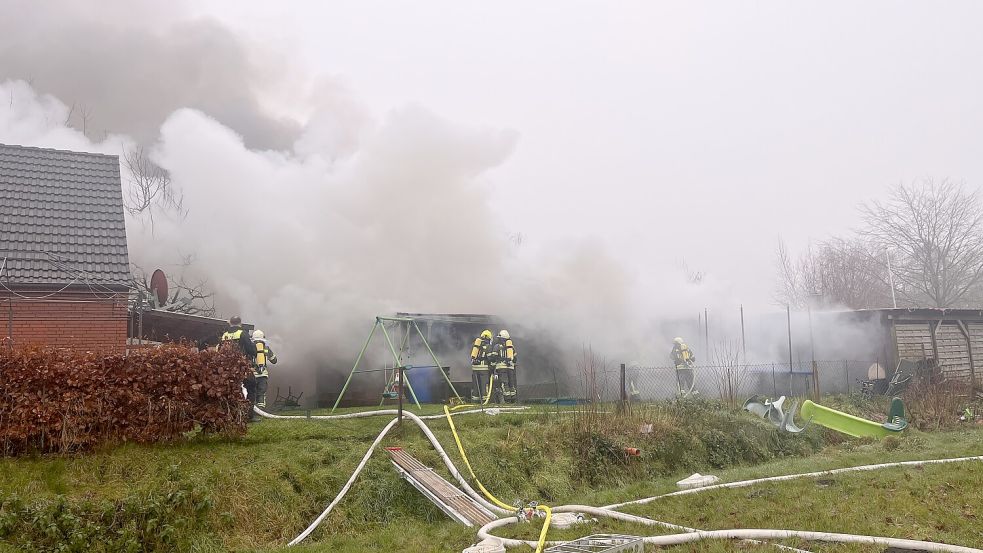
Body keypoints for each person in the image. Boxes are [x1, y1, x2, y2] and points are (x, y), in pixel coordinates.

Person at [220, 316, 258, 418]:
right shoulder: (243, 333)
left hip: (228, 368)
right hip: (242, 366)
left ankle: (232, 414)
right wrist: (255, 348)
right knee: (251, 387)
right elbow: (251, 351)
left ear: (230, 323)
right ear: (240, 323)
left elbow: (220, 351)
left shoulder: (224, 335)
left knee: (232, 390)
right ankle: (249, 415)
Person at [251, 330, 278, 411]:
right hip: (262, 375)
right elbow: (274, 360)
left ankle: (252, 410)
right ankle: (261, 410)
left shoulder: (249, 347)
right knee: (261, 393)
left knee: (252, 392)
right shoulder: (266, 348)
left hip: (252, 374)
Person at [469, 329, 493, 403]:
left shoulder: (475, 345)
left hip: (475, 369)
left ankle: (475, 401)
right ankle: (485, 400)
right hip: (484, 369)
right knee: (484, 385)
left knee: (475, 385)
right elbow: (490, 358)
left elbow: (472, 355)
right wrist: (492, 368)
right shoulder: (488, 346)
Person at [495, 330, 518, 404]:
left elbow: (493, 356)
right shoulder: (511, 347)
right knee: (511, 383)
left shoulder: (497, 346)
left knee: (504, 383)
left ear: (501, 338)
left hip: (502, 367)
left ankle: (507, 400)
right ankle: (513, 399)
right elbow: (515, 359)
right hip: (511, 368)